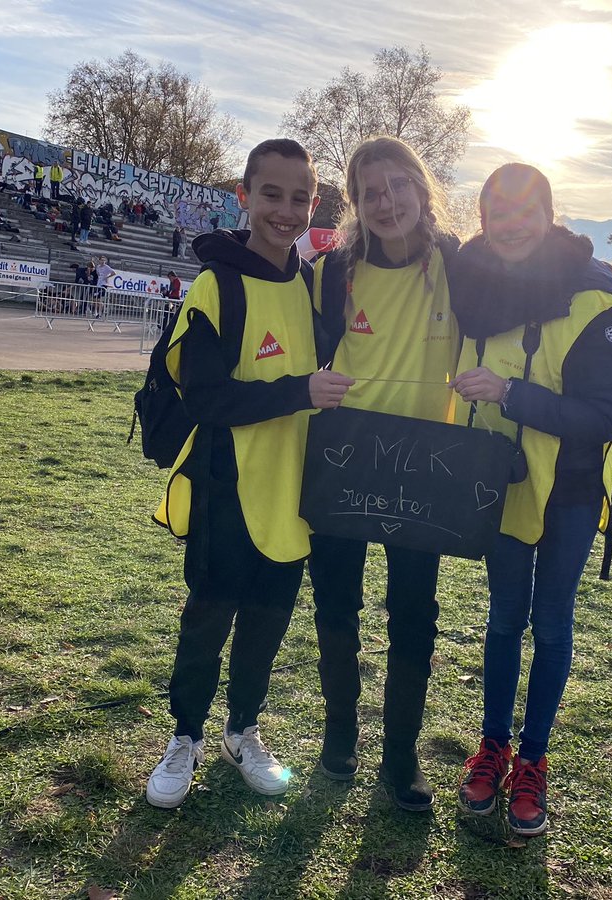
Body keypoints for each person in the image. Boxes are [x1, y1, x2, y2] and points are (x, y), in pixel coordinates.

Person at [144, 138, 354, 809]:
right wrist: (297, 390)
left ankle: (242, 732)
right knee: (208, 618)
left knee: (267, 620)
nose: (285, 210)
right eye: (272, 194)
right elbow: (205, 400)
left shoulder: (314, 285)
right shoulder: (216, 286)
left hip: (294, 493)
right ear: (244, 195)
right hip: (226, 487)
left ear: (314, 203)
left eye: (300, 197)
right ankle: (184, 737)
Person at [450, 163, 612, 837]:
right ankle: (492, 745)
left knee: (551, 623)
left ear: (549, 215)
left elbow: (600, 418)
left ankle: (532, 759)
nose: (512, 224)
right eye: (498, 212)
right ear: (483, 220)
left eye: (526, 211)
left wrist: (507, 393)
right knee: (504, 619)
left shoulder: (594, 297)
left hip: (571, 492)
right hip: (504, 483)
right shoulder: (474, 284)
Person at [308, 136, 460, 811]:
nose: (387, 201)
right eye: (371, 192)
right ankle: (339, 732)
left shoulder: (461, 268)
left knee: (413, 615)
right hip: (343, 464)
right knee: (336, 604)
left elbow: (542, 272)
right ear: (356, 205)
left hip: (423, 474)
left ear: (422, 190)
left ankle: (400, 755)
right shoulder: (332, 274)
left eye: (398, 185)